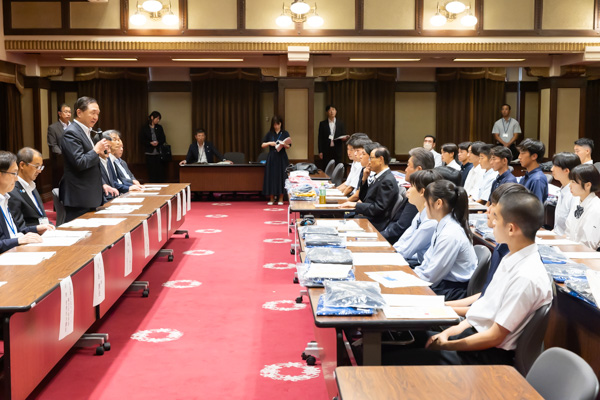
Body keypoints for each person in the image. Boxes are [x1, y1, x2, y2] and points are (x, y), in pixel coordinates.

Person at [386, 192, 552, 367]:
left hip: (484, 355)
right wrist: (449, 333)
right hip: (471, 335)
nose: (492, 223)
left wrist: (448, 344)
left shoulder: (526, 276)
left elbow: (494, 336)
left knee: (389, 360)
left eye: (496, 218)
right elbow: (480, 312)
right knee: (399, 336)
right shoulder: (512, 257)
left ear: (511, 228)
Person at [446, 183, 529, 317]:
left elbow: (492, 312)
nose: (488, 210)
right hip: (477, 314)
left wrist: (445, 309)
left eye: (494, 205)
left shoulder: (514, 256)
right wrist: (444, 305)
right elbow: (485, 295)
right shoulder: (502, 246)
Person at [413, 180, 477, 300]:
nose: (425, 205)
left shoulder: (450, 233)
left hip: (452, 291)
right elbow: (427, 263)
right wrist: (410, 274)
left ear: (438, 203)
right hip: (441, 283)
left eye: (426, 202)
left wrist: (407, 280)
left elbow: (431, 277)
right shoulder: (443, 224)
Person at [60, 96, 111, 223]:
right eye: (93, 113)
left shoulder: (86, 131)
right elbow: (80, 162)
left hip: (89, 195)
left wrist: (102, 184)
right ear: (79, 112)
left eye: (98, 114)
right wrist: (96, 150)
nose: (96, 117)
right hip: (79, 197)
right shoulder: (71, 133)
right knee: (78, 238)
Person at [380, 147, 434, 244]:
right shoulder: (419, 190)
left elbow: (400, 229)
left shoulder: (420, 195)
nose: (405, 169)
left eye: (408, 165)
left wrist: (377, 237)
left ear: (418, 169)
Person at [340, 146, 399, 231]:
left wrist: (355, 205)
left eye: (371, 158)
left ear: (381, 160)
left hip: (373, 223)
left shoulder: (387, 180)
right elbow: (364, 198)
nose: (369, 162)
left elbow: (378, 209)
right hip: (366, 217)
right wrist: (364, 179)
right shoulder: (379, 176)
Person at [393, 169, 442, 267]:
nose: (408, 190)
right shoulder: (420, 213)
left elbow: (406, 251)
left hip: (425, 267)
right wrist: (390, 251)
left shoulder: (431, 221)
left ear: (422, 192)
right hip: (418, 261)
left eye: (411, 186)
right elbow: (403, 241)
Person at [0, 151, 46, 253]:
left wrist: (36, 229)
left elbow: (15, 231)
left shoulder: (5, 199)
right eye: (13, 174)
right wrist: (17, 241)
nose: (16, 178)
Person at [7, 148, 53, 229]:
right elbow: (19, 227)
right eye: (37, 166)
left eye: (41, 167)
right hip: (31, 236)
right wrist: (38, 229)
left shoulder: (32, 185)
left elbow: (41, 216)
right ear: (22, 165)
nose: (39, 171)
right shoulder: (12, 190)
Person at [565, 164, 600, 250]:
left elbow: (589, 245)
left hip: (585, 257)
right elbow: (568, 233)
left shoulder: (596, 207)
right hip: (573, 251)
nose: (570, 186)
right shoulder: (577, 202)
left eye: (573, 182)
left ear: (588, 185)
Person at [96, 132, 137, 200]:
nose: (109, 151)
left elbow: (117, 180)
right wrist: (128, 188)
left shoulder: (110, 160)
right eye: (107, 147)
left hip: (115, 196)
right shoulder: (99, 162)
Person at [262, 116, 291, 205]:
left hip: (281, 157)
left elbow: (289, 146)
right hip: (272, 157)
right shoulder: (270, 133)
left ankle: (281, 198)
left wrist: (284, 144)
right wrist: (270, 143)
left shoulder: (285, 133)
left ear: (280, 124)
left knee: (281, 176)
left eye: (277, 124)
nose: (276, 126)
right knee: (271, 176)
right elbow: (262, 145)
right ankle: (271, 198)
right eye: (274, 124)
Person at [551, 152, 581, 235]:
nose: (551, 169)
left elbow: (572, 230)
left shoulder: (575, 195)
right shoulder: (564, 189)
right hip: (557, 237)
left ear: (566, 170)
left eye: (555, 166)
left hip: (566, 242)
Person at [47, 104, 71, 189]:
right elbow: (53, 145)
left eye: (70, 112)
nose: (68, 114)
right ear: (59, 113)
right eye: (66, 112)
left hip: (75, 160)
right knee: (61, 185)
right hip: (60, 162)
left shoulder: (74, 126)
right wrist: (64, 155)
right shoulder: (53, 128)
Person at [517, 139, 548, 203]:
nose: (519, 157)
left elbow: (536, 208)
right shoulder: (525, 177)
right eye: (519, 153)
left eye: (522, 153)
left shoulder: (538, 179)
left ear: (534, 156)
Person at [140, 111, 167, 183]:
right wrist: (150, 143)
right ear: (152, 117)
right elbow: (142, 140)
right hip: (149, 152)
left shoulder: (159, 127)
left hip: (159, 153)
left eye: (159, 119)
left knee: (160, 171)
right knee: (151, 171)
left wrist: (158, 142)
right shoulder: (144, 128)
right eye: (157, 118)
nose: (158, 120)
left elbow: (163, 139)